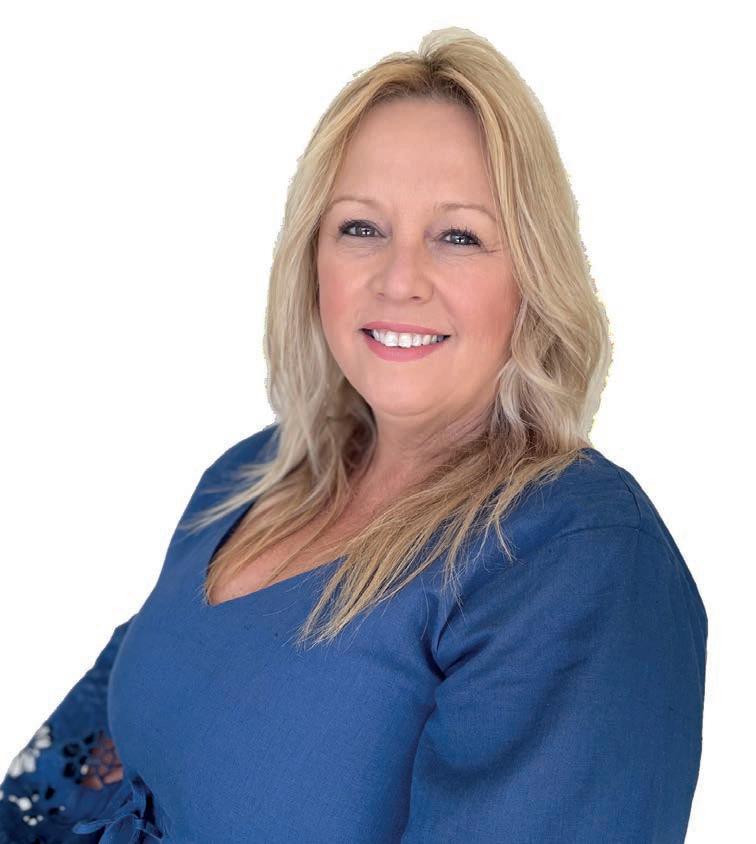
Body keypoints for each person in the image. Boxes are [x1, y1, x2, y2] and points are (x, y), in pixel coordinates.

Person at [0, 26, 707, 843]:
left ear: (533, 275)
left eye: (458, 236)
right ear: (312, 258)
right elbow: (65, 782)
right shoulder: (252, 479)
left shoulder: (575, 559)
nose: (399, 280)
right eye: (361, 228)